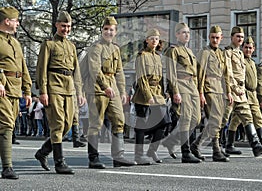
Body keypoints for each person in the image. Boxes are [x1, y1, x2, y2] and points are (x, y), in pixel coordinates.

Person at [35, 11, 84, 174]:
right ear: (56, 25)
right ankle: (60, 162)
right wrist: (43, 91)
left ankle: (43, 152)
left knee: (67, 124)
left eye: (68, 26)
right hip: (54, 87)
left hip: (69, 87)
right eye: (63, 26)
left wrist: (79, 92)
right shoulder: (48, 44)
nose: (66, 29)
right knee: (58, 124)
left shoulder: (71, 46)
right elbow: (41, 69)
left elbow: (76, 71)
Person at [84, 16, 136, 169]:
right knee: (96, 124)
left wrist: (122, 91)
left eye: (111, 29)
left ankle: (118, 156)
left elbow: (119, 71)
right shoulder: (96, 47)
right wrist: (105, 86)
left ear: (115, 32)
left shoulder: (115, 49)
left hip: (112, 86)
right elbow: (94, 69)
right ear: (102, 30)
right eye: (106, 29)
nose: (108, 32)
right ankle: (93, 158)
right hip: (98, 89)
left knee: (119, 120)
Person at [221, 27, 262, 157]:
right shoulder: (228, 52)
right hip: (232, 91)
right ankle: (201, 145)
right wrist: (232, 90)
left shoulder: (242, 56)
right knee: (222, 120)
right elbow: (227, 74)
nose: (240, 39)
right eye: (238, 36)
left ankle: (257, 146)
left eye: (241, 37)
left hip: (244, 93)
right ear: (232, 37)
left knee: (248, 117)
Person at [190, 25, 233, 162]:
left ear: (221, 38)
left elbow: (225, 75)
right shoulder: (205, 52)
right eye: (212, 37)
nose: (215, 40)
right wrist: (201, 92)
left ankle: (200, 146)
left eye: (217, 37)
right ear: (209, 38)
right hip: (209, 89)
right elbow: (200, 73)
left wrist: (229, 92)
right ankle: (213, 149)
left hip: (220, 90)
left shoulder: (221, 53)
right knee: (214, 120)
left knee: (219, 121)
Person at [0, 6, 32, 179]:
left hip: (15, 88)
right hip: (2, 89)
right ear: (7, 21)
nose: (18, 23)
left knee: (9, 125)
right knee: (6, 124)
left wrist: (27, 91)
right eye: (15, 20)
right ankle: (7, 167)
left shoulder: (15, 42)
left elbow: (23, 68)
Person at [162, 22, 201, 163]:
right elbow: (171, 73)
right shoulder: (173, 50)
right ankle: (186, 152)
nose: (186, 35)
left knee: (196, 118)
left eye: (188, 33)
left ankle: (171, 140)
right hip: (180, 83)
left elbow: (195, 72)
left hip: (192, 85)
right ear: (177, 34)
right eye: (183, 32)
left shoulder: (189, 52)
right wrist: (175, 92)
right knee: (186, 118)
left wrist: (197, 89)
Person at [131, 28, 169, 165]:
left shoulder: (158, 57)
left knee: (165, 122)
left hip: (157, 93)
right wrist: (148, 96)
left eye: (156, 39)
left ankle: (152, 150)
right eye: (151, 38)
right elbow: (141, 78)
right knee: (141, 125)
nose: (154, 41)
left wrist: (164, 93)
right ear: (146, 40)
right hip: (143, 94)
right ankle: (138, 156)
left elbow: (161, 78)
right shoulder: (142, 56)